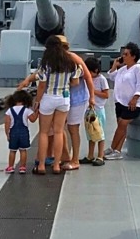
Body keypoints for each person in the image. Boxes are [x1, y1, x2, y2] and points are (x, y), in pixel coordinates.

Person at [32, 34, 81, 175]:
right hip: (64, 99)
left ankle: (41, 165)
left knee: (44, 132)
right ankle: (56, 166)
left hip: (48, 97)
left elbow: (41, 86)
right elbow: (76, 82)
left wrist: (37, 102)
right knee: (59, 131)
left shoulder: (46, 63)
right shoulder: (70, 62)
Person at [56, 35, 94, 171]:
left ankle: (75, 159)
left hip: (77, 99)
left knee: (73, 129)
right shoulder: (56, 60)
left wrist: (92, 97)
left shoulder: (74, 58)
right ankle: (65, 156)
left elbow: (88, 77)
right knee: (60, 128)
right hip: (63, 99)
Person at [105, 42, 140, 159]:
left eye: (126, 54)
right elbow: (112, 77)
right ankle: (117, 151)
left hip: (133, 103)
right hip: (121, 102)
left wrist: (135, 98)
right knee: (121, 125)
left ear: (133, 56)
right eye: (123, 54)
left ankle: (112, 148)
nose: (123, 56)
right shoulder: (123, 69)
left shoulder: (139, 69)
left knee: (122, 124)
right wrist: (115, 65)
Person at [82, 56, 109, 166]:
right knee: (91, 134)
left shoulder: (102, 79)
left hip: (98, 110)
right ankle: (90, 155)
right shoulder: (86, 79)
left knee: (100, 133)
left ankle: (100, 156)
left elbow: (106, 94)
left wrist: (94, 91)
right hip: (89, 110)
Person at [3, 90, 38, 174]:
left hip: (13, 132)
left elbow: (7, 123)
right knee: (23, 150)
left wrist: (7, 133)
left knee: (12, 150)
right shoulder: (27, 110)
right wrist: (37, 112)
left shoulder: (9, 111)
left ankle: (10, 167)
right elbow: (33, 120)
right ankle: (22, 167)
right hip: (24, 133)